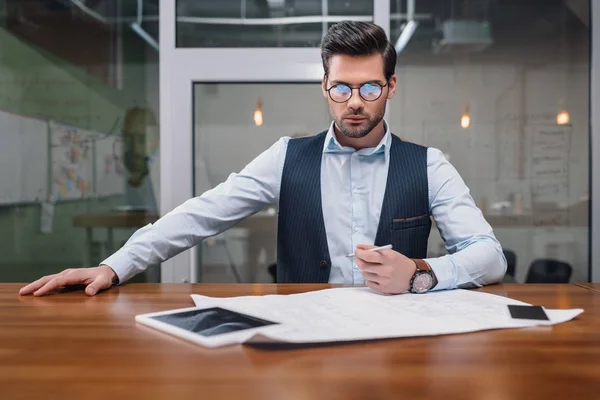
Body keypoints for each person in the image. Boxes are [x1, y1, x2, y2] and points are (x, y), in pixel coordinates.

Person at [20, 21, 506, 298]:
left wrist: (421, 272)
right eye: (341, 86)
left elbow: (489, 256)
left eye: (369, 86)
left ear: (390, 87)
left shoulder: (428, 165)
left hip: (401, 340)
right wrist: (116, 264)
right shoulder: (287, 157)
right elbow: (202, 213)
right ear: (324, 87)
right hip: (302, 337)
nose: (354, 101)